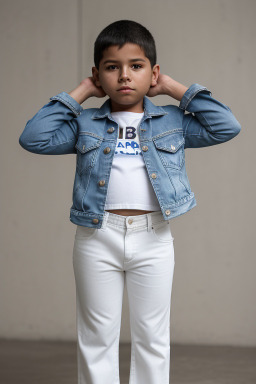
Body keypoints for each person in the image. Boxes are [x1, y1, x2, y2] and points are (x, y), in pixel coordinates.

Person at [19, 19, 241, 384]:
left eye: (136, 67)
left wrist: (170, 86)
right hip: (96, 237)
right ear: (97, 75)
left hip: (153, 238)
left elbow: (226, 125)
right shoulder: (85, 123)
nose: (124, 76)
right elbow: (34, 138)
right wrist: (79, 93)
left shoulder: (173, 121)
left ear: (151, 72)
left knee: (153, 337)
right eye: (112, 68)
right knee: (96, 338)